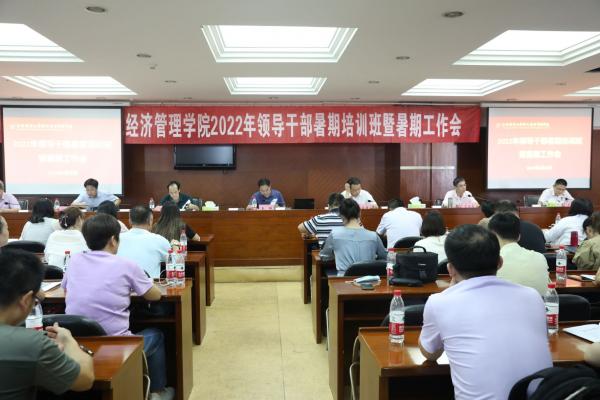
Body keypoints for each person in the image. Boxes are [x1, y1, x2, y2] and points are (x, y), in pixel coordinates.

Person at [418, 224, 552, 400]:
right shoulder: (532, 296)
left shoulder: (440, 303)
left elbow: (430, 353)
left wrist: (450, 292)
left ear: (450, 270)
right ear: (500, 262)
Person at [62, 214, 174, 400]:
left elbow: (66, 289)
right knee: (156, 334)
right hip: (116, 345)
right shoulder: (126, 265)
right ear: (113, 240)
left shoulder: (74, 260)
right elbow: (154, 295)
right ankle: (157, 393)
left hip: (77, 344)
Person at [0, 249, 94, 397]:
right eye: (35, 301)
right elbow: (85, 379)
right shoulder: (31, 343)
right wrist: (68, 341)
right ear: (26, 300)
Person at [319, 199, 387, 276]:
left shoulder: (334, 234)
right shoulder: (374, 236)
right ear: (359, 214)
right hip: (368, 280)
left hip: (344, 280)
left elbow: (324, 257)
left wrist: (336, 255)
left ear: (341, 216)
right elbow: (384, 257)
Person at [488, 212, 550, 295]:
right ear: (519, 236)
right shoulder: (540, 257)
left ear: (492, 236)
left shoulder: (491, 263)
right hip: (540, 303)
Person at [118, 205, 171, 278]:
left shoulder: (116, 239)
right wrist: (176, 246)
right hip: (149, 285)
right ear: (150, 221)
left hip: (121, 284)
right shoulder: (160, 240)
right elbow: (174, 261)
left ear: (130, 221)